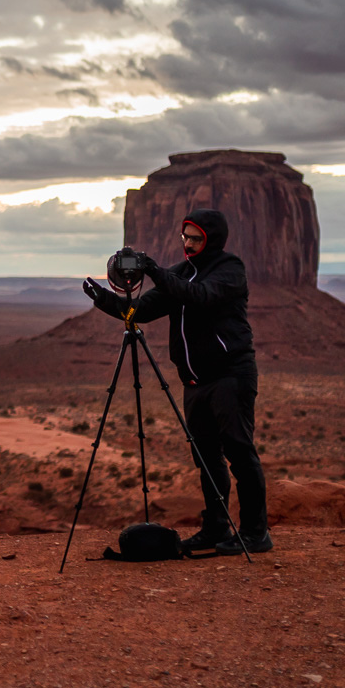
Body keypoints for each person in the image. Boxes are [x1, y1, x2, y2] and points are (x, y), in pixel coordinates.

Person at [83, 209, 270, 554]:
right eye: (185, 237)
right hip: (195, 382)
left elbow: (199, 296)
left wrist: (156, 270)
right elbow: (138, 312)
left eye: (195, 238)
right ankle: (215, 529)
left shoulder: (230, 270)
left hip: (230, 376)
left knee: (240, 454)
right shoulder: (181, 274)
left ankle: (256, 533)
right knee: (207, 457)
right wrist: (104, 300)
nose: (188, 244)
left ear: (211, 239)